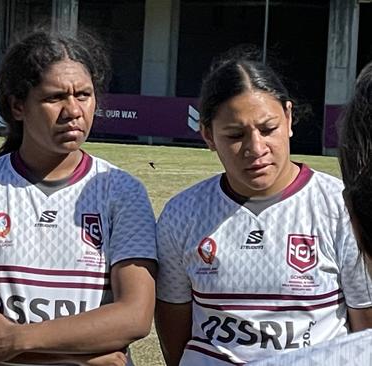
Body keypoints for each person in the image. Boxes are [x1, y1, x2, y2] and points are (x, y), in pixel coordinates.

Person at [0, 30, 157, 366]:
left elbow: (134, 316)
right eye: (55, 98)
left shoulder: (122, 191)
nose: (73, 111)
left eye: (83, 95)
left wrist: (18, 340)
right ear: (18, 105)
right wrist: (83, 358)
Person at [154, 54, 372, 365]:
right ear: (207, 135)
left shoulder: (339, 206)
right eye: (235, 136)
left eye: (268, 129)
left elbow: (365, 331)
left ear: (289, 117)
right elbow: (175, 332)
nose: (256, 149)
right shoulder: (182, 213)